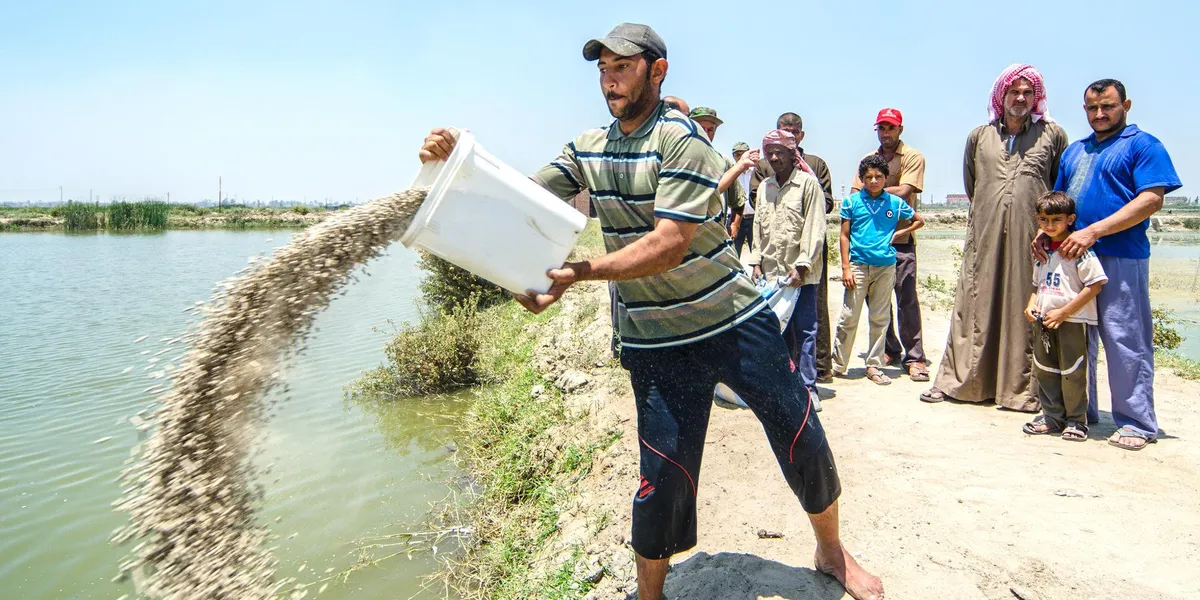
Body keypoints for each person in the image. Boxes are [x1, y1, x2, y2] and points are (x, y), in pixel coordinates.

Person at [417, 23, 883, 600]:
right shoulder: (587, 148)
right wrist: (458, 162)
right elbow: (519, 195)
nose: (610, 81)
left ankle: (832, 552)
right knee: (661, 474)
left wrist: (580, 272)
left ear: (656, 71)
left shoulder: (683, 140)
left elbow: (669, 242)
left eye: (623, 68)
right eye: (603, 70)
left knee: (800, 434)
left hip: (734, 321)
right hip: (655, 338)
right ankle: (650, 594)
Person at [1041, 78, 1182, 451]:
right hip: (1074, 258)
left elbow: (1151, 199)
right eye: (1092, 108)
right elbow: (1059, 204)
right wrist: (1045, 235)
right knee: (1075, 338)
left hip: (1122, 255)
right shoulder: (1075, 151)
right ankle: (1078, 413)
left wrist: (1095, 232)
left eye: (1108, 107)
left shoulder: (1143, 145)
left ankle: (1136, 422)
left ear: (1126, 106)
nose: (1099, 114)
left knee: (1125, 339)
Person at [921, 64, 1069, 411]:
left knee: (1025, 306)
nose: (1020, 98)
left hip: (1031, 240)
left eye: (1027, 93)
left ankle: (1022, 392)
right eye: (1013, 91)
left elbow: (1059, 188)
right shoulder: (979, 136)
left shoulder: (1053, 135)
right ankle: (962, 382)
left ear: (1036, 98)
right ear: (1000, 95)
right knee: (975, 303)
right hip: (985, 236)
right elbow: (974, 186)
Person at [751, 113, 837, 382]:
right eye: (769, 153)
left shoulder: (808, 184)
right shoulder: (765, 186)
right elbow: (758, 229)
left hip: (801, 273)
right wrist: (755, 261)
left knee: (805, 331)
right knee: (777, 330)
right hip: (773, 274)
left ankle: (808, 386)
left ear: (792, 153)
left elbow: (814, 228)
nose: (774, 158)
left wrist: (802, 265)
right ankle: (786, 386)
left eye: (779, 153)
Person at [850, 108, 928, 381]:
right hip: (869, 244)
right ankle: (890, 348)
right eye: (881, 128)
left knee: (906, 297)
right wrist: (876, 192)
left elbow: (905, 192)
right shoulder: (867, 159)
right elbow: (852, 197)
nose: (886, 133)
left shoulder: (913, 157)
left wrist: (871, 191)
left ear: (900, 130)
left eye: (891, 128)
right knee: (877, 301)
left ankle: (915, 357)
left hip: (901, 239)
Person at [1022, 191, 1107, 441]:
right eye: (1043, 220)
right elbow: (1037, 286)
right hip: (1045, 321)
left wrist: (1064, 312)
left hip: (1073, 321)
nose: (1049, 226)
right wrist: (1031, 305)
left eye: (1056, 220)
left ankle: (1076, 421)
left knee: (1073, 371)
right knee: (1045, 368)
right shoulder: (1043, 251)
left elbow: (1095, 285)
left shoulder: (1079, 251)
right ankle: (1052, 416)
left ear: (1070, 219)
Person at [834, 155, 924, 385]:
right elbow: (844, 235)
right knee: (849, 316)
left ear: (885, 178)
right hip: (858, 265)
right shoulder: (852, 202)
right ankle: (838, 365)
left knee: (880, 318)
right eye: (868, 177)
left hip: (885, 266)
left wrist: (900, 234)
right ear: (862, 179)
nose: (873, 181)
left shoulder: (894, 203)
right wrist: (846, 268)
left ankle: (874, 365)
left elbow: (918, 220)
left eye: (878, 177)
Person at [690, 106, 746, 230]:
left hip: (715, 237)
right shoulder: (674, 158)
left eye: (710, 130)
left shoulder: (723, 162)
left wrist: (734, 225)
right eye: (700, 128)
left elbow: (738, 202)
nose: (705, 133)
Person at [729, 141, 756, 257]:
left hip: (754, 219)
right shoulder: (730, 173)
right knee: (733, 254)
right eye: (737, 154)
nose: (740, 157)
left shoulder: (756, 172)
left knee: (758, 254)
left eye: (743, 154)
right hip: (735, 220)